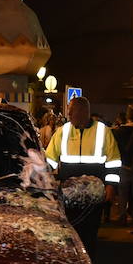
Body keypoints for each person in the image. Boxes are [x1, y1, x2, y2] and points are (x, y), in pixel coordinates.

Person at [45, 95, 122, 251]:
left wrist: (111, 186)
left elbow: (113, 161)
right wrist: (40, 177)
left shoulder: (103, 131)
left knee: (90, 231)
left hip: (94, 194)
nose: (68, 115)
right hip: (69, 194)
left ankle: (89, 257)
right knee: (70, 231)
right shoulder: (62, 131)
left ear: (83, 112)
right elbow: (49, 160)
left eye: (71, 111)